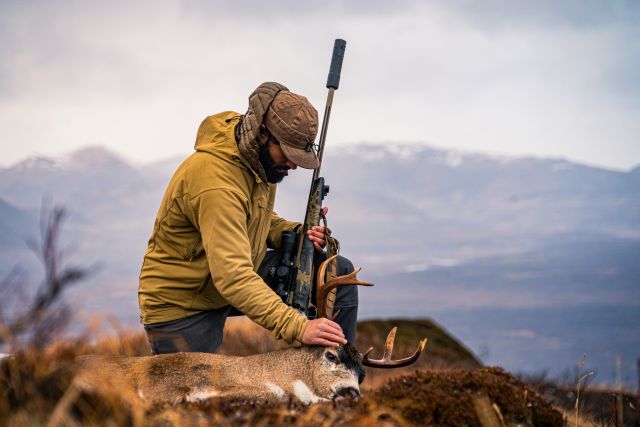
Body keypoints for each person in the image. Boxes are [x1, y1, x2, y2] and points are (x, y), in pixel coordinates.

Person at [138, 82, 358, 354]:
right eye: (289, 154)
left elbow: (256, 217)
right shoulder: (216, 184)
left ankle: (340, 375)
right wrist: (299, 326)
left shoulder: (258, 160)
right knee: (199, 394)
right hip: (183, 304)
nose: (293, 165)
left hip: (229, 279)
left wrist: (297, 233)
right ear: (264, 133)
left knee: (337, 271)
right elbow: (233, 276)